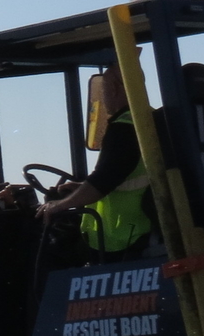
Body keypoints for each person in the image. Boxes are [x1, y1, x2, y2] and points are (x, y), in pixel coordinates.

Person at [37, 64, 155, 256]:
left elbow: (103, 180)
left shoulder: (124, 128)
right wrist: (81, 188)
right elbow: (123, 174)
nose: (103, 97)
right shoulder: (148, 119)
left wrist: (59, 205)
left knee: (54, 254)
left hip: (122, 236)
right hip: (142, 226)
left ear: (113, 89)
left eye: (103, 90)